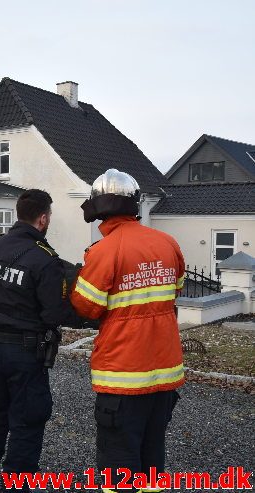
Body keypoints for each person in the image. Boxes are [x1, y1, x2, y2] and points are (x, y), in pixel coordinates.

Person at [70, 169, 185, 493]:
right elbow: (174, 290)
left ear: (98, 208)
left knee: (118, 469)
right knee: (151, 463)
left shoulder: (104, 251)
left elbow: (87, 307)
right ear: (134, 204)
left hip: (123, 376)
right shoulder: (167, 243)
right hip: (163, 372)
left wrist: (74, 282)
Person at [0, 189, 81, 493]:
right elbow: (54, 313)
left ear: (19, 213)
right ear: (43, 218)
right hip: (27, 351)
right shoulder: (44, 259)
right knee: (27, 422)